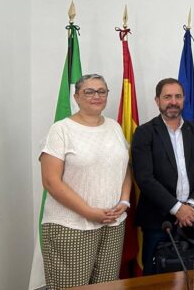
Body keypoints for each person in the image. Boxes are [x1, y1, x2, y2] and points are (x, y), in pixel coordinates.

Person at [39, 74, 132, 289]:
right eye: (89, 92)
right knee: (73, 287)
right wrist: (88, 212)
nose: (96, 96)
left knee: (107, 286)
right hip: (71, 226)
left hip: (112, 223)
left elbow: (124, 166)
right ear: (76, 97)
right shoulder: (61, 130)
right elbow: (51, 181)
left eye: (101, 91)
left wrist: (124, 200)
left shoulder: (114, 127)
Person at [131, 78, 194, 274]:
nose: (173, 102)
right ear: (157, 100)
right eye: (167, 97)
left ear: (184, 99)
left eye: (178, 96)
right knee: (155, 277)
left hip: (193, 217)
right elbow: (144, 178)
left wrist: (190, 206)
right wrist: (177, 208)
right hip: (158, 220)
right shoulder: (144, 132)